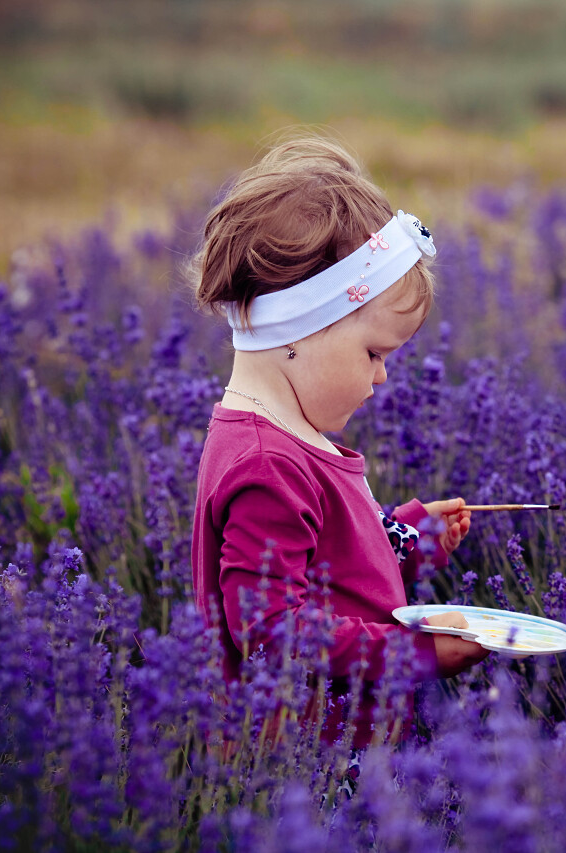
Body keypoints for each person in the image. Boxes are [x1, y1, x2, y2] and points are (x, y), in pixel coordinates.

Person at [189, 136, 489, 747]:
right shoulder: (268, 463)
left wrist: (405, 537)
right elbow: (271, 629)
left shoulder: (286, 437)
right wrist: (414, 653)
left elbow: (327, 568)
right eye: (374, 353)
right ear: (301, 328)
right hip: (305, 764)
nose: (383, 374)